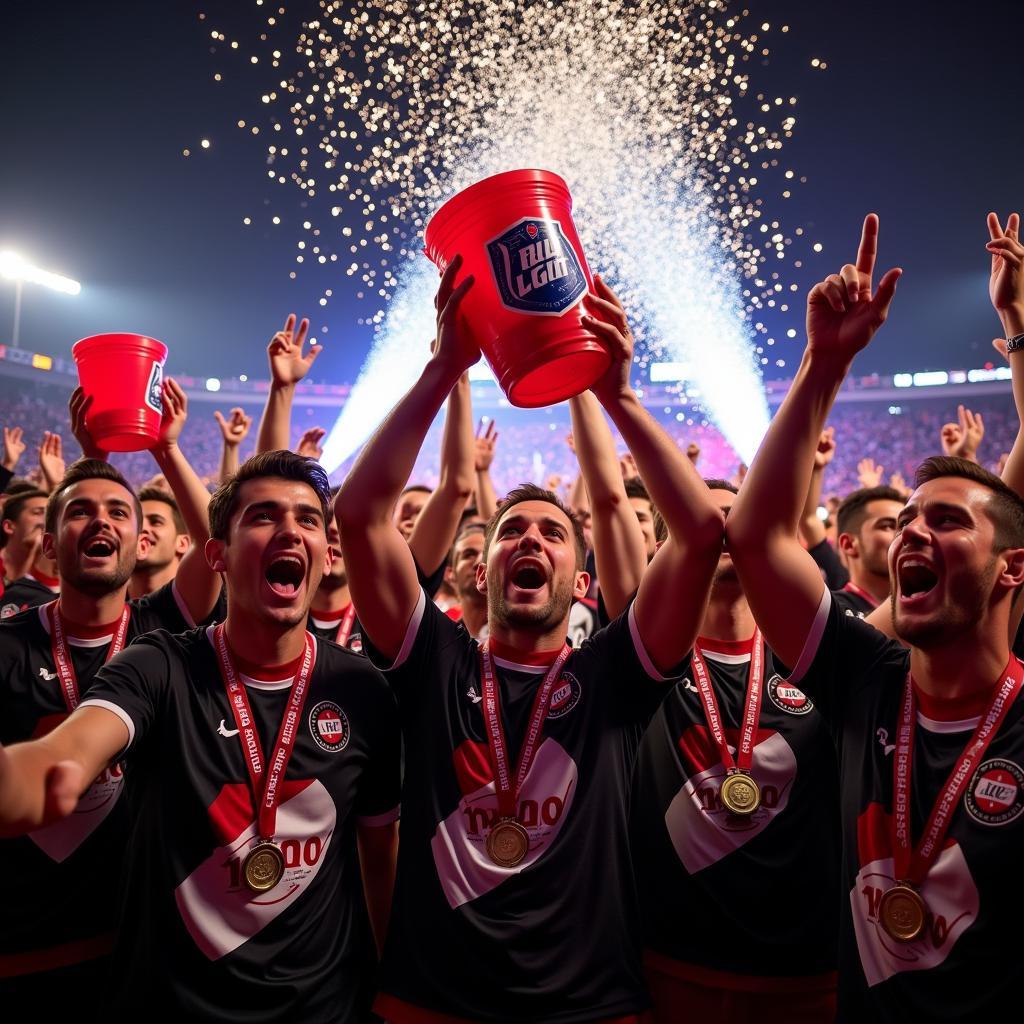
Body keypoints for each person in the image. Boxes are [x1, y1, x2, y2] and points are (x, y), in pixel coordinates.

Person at [337, 258, 724, 1022]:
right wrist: (443, 367)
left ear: (583, 586)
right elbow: (357, 517)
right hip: (430, 1004)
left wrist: (617, 397)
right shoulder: (432, 661)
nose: (533, 541)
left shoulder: (615, 674)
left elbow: (702, 532)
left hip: (590, 1006)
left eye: (554, 533)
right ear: (478, 573)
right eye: (513, 530)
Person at [727, 212, 1024, 1019]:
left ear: (1014, 571)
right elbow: (754, 536)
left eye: (949, 521)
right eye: (909, 519)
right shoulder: (868, 678)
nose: (914, 532)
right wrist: (823, 365)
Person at [0, 451, 401, 1019]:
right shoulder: (158, 665)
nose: (290, 529)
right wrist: (26, 777)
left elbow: (378, 858)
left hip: (322, 1010)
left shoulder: (363, 689)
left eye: (308, 520)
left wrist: (385, 993)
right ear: (218, 555)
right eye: (263, 516)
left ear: (326, 553)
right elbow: (61, 761)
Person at [569, 388, 841, 1020]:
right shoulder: (645, 652)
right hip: (666, 966)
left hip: (804, 976)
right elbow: (609, 501)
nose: (722, 532)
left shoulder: (822, 656)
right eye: (706, 524)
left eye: (734, 518)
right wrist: (582, 380)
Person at [831, 485, 906, 618]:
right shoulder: (829, 613)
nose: (905, 534)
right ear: (849, 544)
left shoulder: (930, 611)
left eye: (905, 525)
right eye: (887, 526)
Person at [127, 486, 190, 600]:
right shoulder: (101, 607)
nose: (141, 528)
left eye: (156, 522)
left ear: (182, 543)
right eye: (135, 522)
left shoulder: (205, 603)